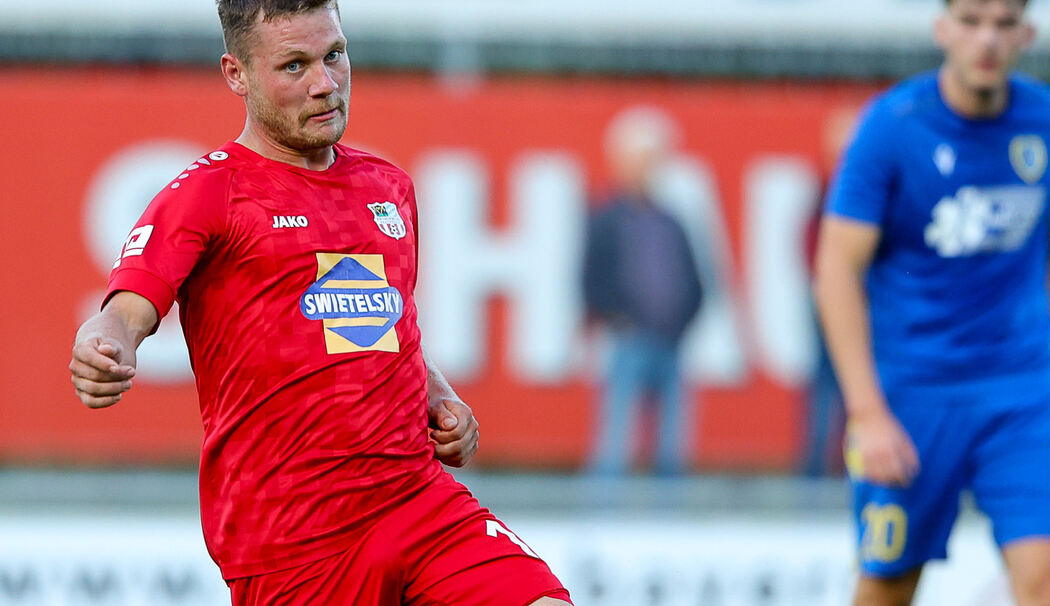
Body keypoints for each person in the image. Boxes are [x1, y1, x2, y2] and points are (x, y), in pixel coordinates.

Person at [68, 2, 572, 605]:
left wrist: (439, 398)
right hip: (296, 539)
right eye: (294, 66)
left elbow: (384, 324)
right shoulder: (209, 193)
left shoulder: (387, 186)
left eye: (334, 55)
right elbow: (126, 309)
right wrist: (104, 344)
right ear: (236, 74)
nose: (325, 84)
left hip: (416, 499)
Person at [815, 1, 1050, 605]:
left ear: (1026, 33)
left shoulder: (1042, 121)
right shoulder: (893, 126)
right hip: (914, 395)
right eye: (971, 21)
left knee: (1044, 575)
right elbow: (837, 267)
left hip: (1022, 391)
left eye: (1003, 23)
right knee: (889, 586)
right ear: (942, 29)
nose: (987, 39)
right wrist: (867, 412)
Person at [582, 107, 704, 476]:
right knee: (615, 440)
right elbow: (591, 279)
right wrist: (620, 319)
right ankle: (604, 506)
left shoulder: (670, 221)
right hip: (628, 340)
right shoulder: (606, 219)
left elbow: (695, 281)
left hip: (670, 342)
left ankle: (669, 509)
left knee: (672, 443)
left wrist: (681, 323)